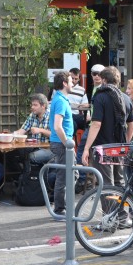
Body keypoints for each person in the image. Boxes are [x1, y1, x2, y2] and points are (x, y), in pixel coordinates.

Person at [81, 66, 133, 189]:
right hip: (120, 146)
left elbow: (96, 124)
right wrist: (125, 142)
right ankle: (120, 202)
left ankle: (109, 202)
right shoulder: (126, 99)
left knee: (106, 184)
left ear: (104, 80)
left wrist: (86, 148)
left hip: (103, 146)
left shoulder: (100, 96)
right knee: (119, 182)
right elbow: (132, 126)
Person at [47, 70, 76, 216]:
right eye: (71, 81)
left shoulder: (60, 99)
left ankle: (63, 206)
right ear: (64, 83)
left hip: (61, 142)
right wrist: (67, 143)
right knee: (64, 177)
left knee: (72, 174)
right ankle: (60, 209)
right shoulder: (60, 101)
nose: (73, 84)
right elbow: (58, 126)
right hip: (62, 143)